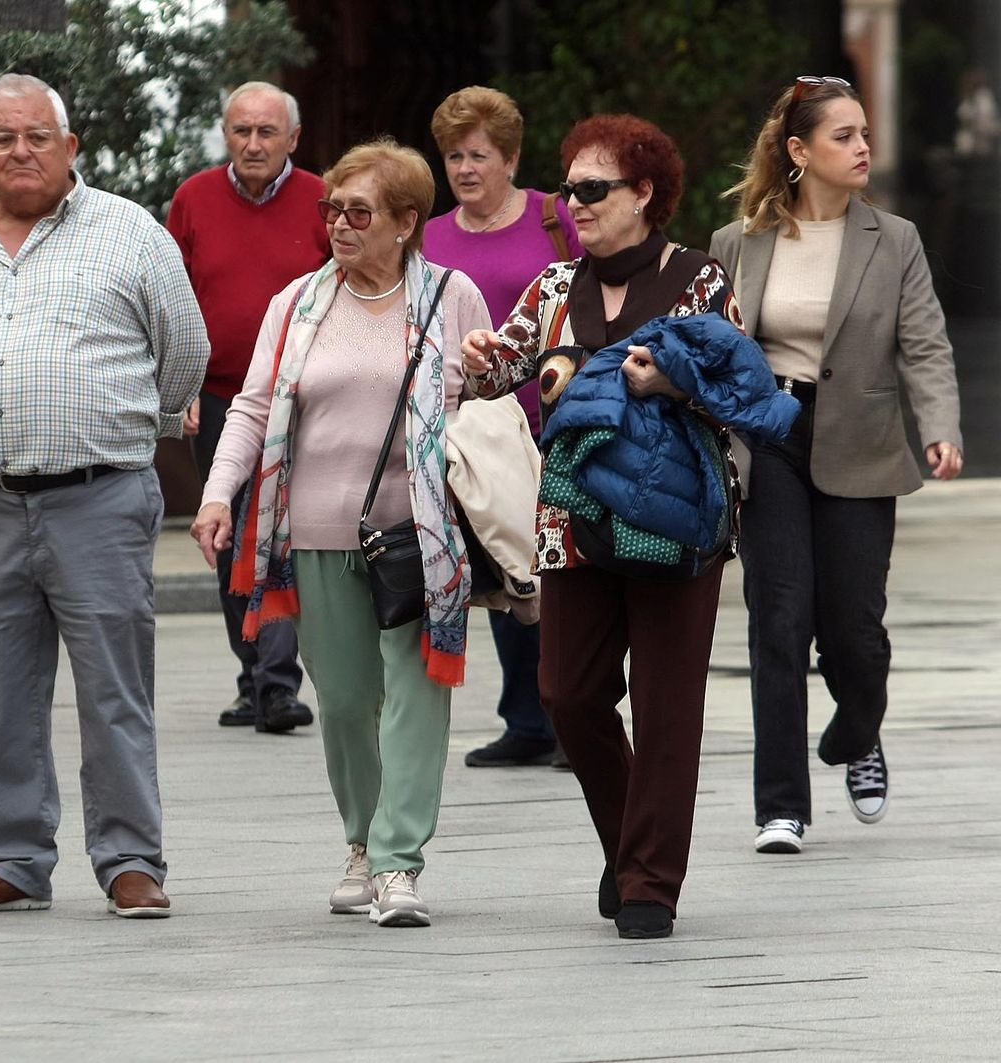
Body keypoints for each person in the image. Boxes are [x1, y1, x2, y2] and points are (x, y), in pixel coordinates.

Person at [461, 115, 784, 940]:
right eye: (568, 189)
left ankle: (649, 883)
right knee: (567, 693)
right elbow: (504, 363)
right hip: (572, 519)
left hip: (678, 522)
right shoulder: (553, 285)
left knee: (668, 707)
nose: (575, 203)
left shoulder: (700, 281)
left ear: (644, 194)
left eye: (593, 189)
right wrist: (477, 359)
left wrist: (669, 381)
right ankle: (628, 842)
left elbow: (742, 390)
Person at [0, 73, 207, 920]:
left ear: (70, 146)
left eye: (37, 136)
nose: (20, 152)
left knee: (114, 689)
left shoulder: (130, 232)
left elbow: (183, 352)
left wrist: (114, 430)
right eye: (2, 138)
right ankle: (13, 857)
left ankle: (129, 859)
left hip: (99, 499)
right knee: (5, 691)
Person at [193, 138, 492, 927]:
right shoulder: (297, 302)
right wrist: (220, 494)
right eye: (333, 210)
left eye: (359, 212)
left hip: (421, 532)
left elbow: (481, 400)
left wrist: (485, 375)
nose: (339, 225)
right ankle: (360, 841)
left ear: (405, 222)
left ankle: (398, 862)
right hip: (317, 530)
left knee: (416, 696)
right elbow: (254, 408)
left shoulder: (451, 296)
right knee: (347, 698)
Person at [712, 77, 964, 856]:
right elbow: (715, 347)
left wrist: (940, 426)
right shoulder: (736, 242)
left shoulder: (895, 238)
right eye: (844, 136)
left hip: (861, 438)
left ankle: (860, 730)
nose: (863, 148)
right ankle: (780, 804)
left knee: (856, 634)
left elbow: (923, 342)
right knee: (778, 617)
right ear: (799, 151)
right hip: (770, 438)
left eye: (863, 134)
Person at [423, 85, 581, 770]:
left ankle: (578, 714)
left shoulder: (553, 217)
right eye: (454, 155)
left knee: (569, 569)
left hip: (559, 419)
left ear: (511, 157)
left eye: (479, 155)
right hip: (479, 432)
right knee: (504, 562)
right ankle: (527, 719)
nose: (465, 168)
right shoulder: (429, 236)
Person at [165, 81, 328, 734]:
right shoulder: (194, 199)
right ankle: (254, 672)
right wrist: (180, 388)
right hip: (219, 396)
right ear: (225, 134)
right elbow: (172, 302)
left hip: (302, 396)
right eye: (241, 131)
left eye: (267, 132)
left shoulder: (323, 198)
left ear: (293, 138)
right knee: (229, 534)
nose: (253, 144)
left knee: (281, 533)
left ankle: (275, 682)